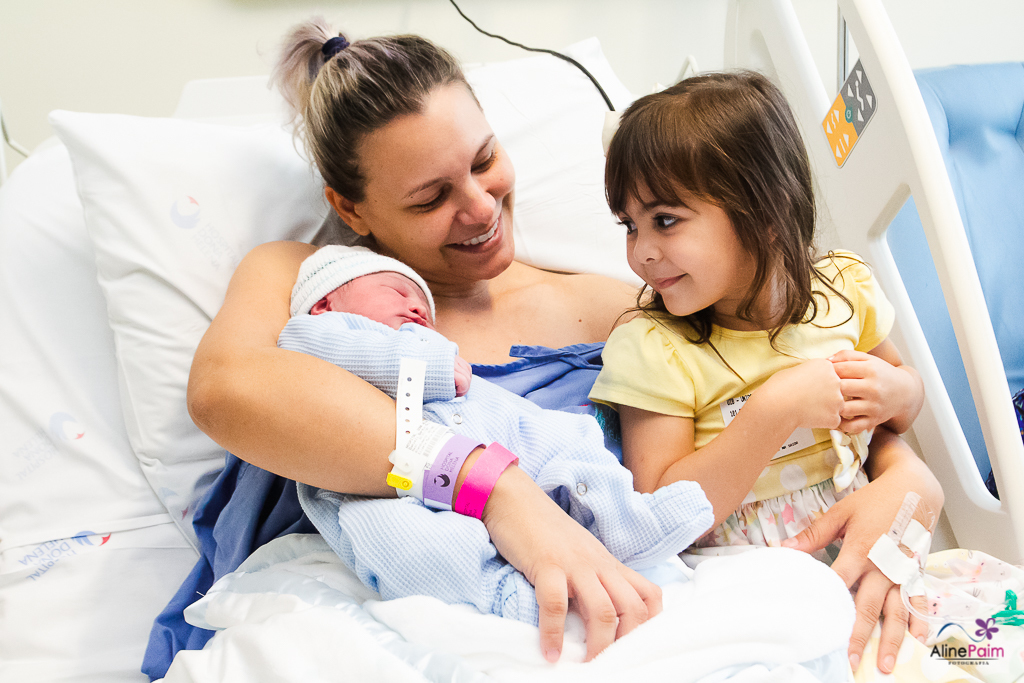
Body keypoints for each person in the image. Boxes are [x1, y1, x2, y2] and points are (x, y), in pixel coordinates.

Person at [186, 17, 655, 663]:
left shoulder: (608, 308)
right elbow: (224, 392)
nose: (482, 207)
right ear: (350, 209)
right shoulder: (305, 280)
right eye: (431, 198)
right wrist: (493, 488)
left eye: (484, 161)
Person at [589, 72, 948, 678]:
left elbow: (901, 410)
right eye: (630, 225)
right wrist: (774, 409)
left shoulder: (842, 290)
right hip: (741, 578)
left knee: (956, 652)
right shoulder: (655, 347)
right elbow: (661, 513)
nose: (640, 251)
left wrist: (898, 390)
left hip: (869, 545)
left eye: (665, 220)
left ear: (765, 211)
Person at [279, 244, 713, 624]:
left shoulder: (427, 344)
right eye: (397, 292)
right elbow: (326, 352)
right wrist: (428, 363)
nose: (417, 307)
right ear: (325, 303)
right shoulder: (316, 333)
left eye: (423, 304)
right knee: (413, 545)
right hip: (383, 484)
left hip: (492, 437)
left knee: (570, 439)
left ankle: (624, 519)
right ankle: (502, 593)